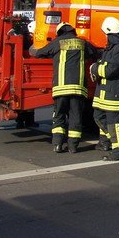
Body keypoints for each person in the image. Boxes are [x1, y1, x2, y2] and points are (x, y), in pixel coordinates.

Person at [29, 23, 97, 153]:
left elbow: (40, 53)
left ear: (59, 32)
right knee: (75, 117)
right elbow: (94, 52)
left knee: (59, 116)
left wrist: (33, 48)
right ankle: (73, 146)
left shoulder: (58, 42)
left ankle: (58, 145)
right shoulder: (82, 43)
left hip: (61, 88)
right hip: (78, 89)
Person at [91, 16, 119, 161]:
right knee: (98, 116)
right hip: (104, 91)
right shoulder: (112, 48)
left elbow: (110, 70)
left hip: (114, 92)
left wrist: (95, 68)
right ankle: (116, 142)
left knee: (115, 123)